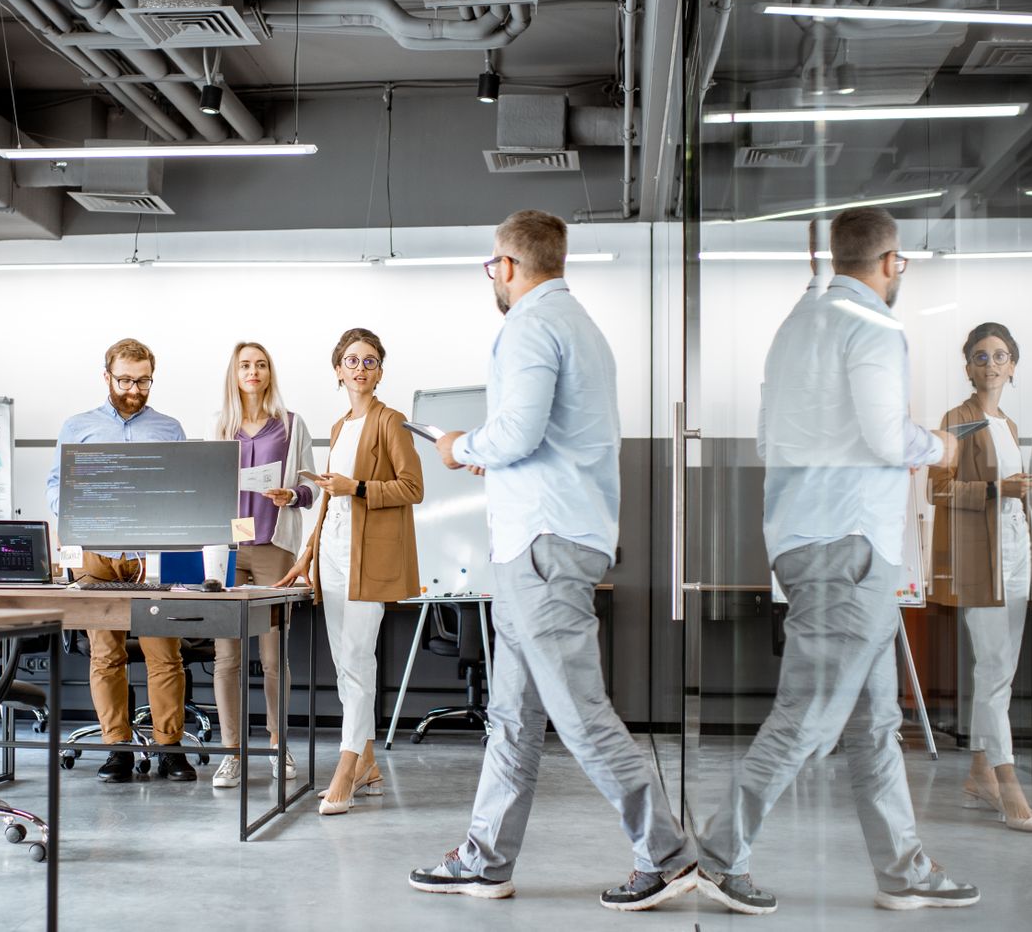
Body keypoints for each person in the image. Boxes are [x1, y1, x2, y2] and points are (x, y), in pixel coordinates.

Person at [407, 209, 699, 911]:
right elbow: (546, 440)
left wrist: (460, 448)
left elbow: (516, 430)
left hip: (541, 548)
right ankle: (485, 859)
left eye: (492, 267)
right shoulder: (582, 328)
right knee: (512, 716)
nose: (493, 279)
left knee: (579, 713)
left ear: (508, 266)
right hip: (538, 542)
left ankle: (667, 853)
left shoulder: (529, 326)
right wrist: (498, 461)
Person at [695, 207, 978, 914]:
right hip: (850, 545)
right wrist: (939, 448)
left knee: (876, 721)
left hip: (806, 537)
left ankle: (903, 869)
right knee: (810, 716)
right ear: (892, 263)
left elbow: (768, 435)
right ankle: (716, 854)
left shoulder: (795, 326)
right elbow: (888, 438)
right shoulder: (875, 327)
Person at [275, 327, 422, 815]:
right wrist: (307, 555)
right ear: (338, 369)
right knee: (346, 664)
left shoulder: (391, 421)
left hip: (369, 557)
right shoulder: (339, 427)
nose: (361, 368)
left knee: (358, 661)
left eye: (371, 361)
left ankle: (345, 765)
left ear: (381, 371)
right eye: (352, 360)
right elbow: (328, 502)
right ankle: (368, 765)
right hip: (333, 554)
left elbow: (411, 487)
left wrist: (355, 485)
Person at [45, 338, 194, 783]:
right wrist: (72, 505)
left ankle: (170, 748)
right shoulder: (78, 426)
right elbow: (55, 485)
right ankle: (117, 749)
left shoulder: (169, 428)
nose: (134, 388)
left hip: (151, 556)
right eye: (126, 379)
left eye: (143, 380)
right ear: (106, 376)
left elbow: (183, 489)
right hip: (97, 555)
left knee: (164, 656)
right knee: (105, 655)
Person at [928, 323, 1032, 831]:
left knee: (998, 670)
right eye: (980, 356)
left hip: (1018, 555)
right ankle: (1006, 776)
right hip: (982, 561)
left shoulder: (1011, 426)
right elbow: (940, 490)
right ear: (968, 366)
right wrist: (999, 488)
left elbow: (1014, 496)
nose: (991, 364)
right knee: (994, 670)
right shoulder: (958, 420)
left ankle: (978, 773)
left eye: (1000, 356)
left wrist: (1031, 496)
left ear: (1013, 365)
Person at [208, 341, 317, 789]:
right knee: (226, 657)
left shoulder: (291, 425)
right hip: (230, 550)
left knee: (273, 655)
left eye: (260, 364)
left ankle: (277, 743)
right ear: (234, 375)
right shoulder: (221, 427)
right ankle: (231, 752)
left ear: (269, 372)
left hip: (274, 546)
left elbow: (310, 485)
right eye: (245, 365)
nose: (253, 371)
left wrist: (291, 495)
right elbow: (207, 486)